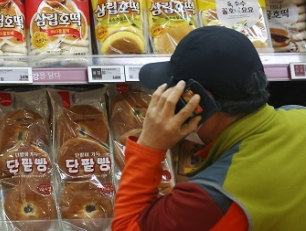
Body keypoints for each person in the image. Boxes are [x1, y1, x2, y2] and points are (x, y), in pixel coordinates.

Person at [112, 26, 306, 231]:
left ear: (200, 102)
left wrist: (149, 146)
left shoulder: (209, 197)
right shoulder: (299, 115)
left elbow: (125, 227)